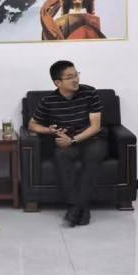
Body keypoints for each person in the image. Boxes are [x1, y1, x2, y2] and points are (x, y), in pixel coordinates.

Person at [28, 60, 105, 226]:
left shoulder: (90, 93)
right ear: (58, 82)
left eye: (76, 75)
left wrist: (73, 140)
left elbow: (95, 126)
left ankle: (76, 208)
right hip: (67, 142)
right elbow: (32, 124)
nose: (76, 79)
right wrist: (49, 130)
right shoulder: (48, 101)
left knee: (93, 155)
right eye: (70, 77)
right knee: (61, 155)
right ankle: (81, 207)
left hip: (92, 139)